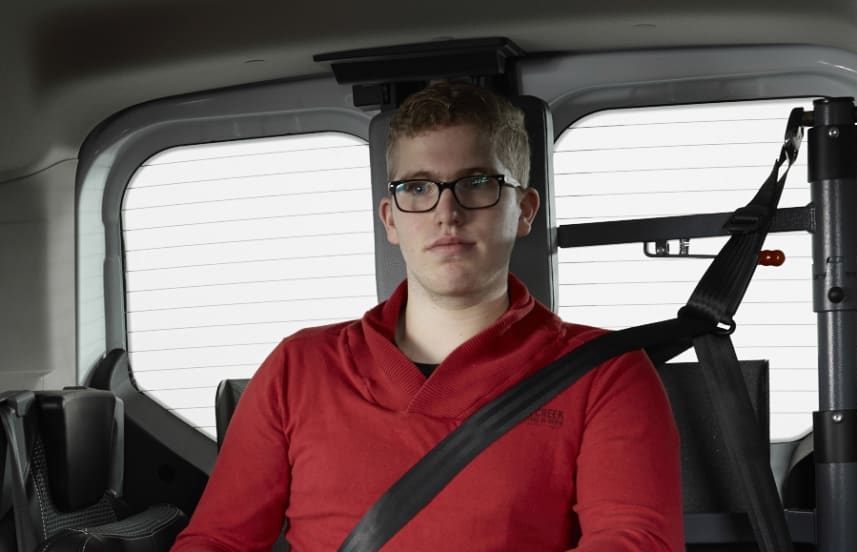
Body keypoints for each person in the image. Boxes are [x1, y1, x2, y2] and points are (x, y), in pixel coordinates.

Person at [171, 81, 683, 551]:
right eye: (417, 188)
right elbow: (217, 542)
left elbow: (633, 543)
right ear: (390, 220)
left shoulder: (604, 372)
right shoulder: (298, 368)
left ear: (525, 210)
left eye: (476, 182)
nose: (446, 213)